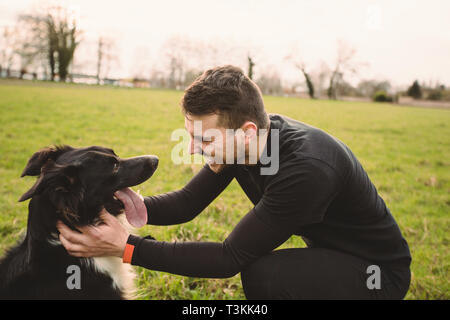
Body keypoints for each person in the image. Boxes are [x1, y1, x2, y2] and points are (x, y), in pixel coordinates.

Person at [57, 65, 411, 299]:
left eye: (205, 141)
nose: (194, 151)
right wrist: (116, 204)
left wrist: (128, 247)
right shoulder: (243, 146)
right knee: (266, 273)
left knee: (264, 275)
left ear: (247, 132)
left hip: (377, 274)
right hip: (330, 255)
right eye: (191, 138)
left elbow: (229, 257)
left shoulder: (307, 169)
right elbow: (186, 203)